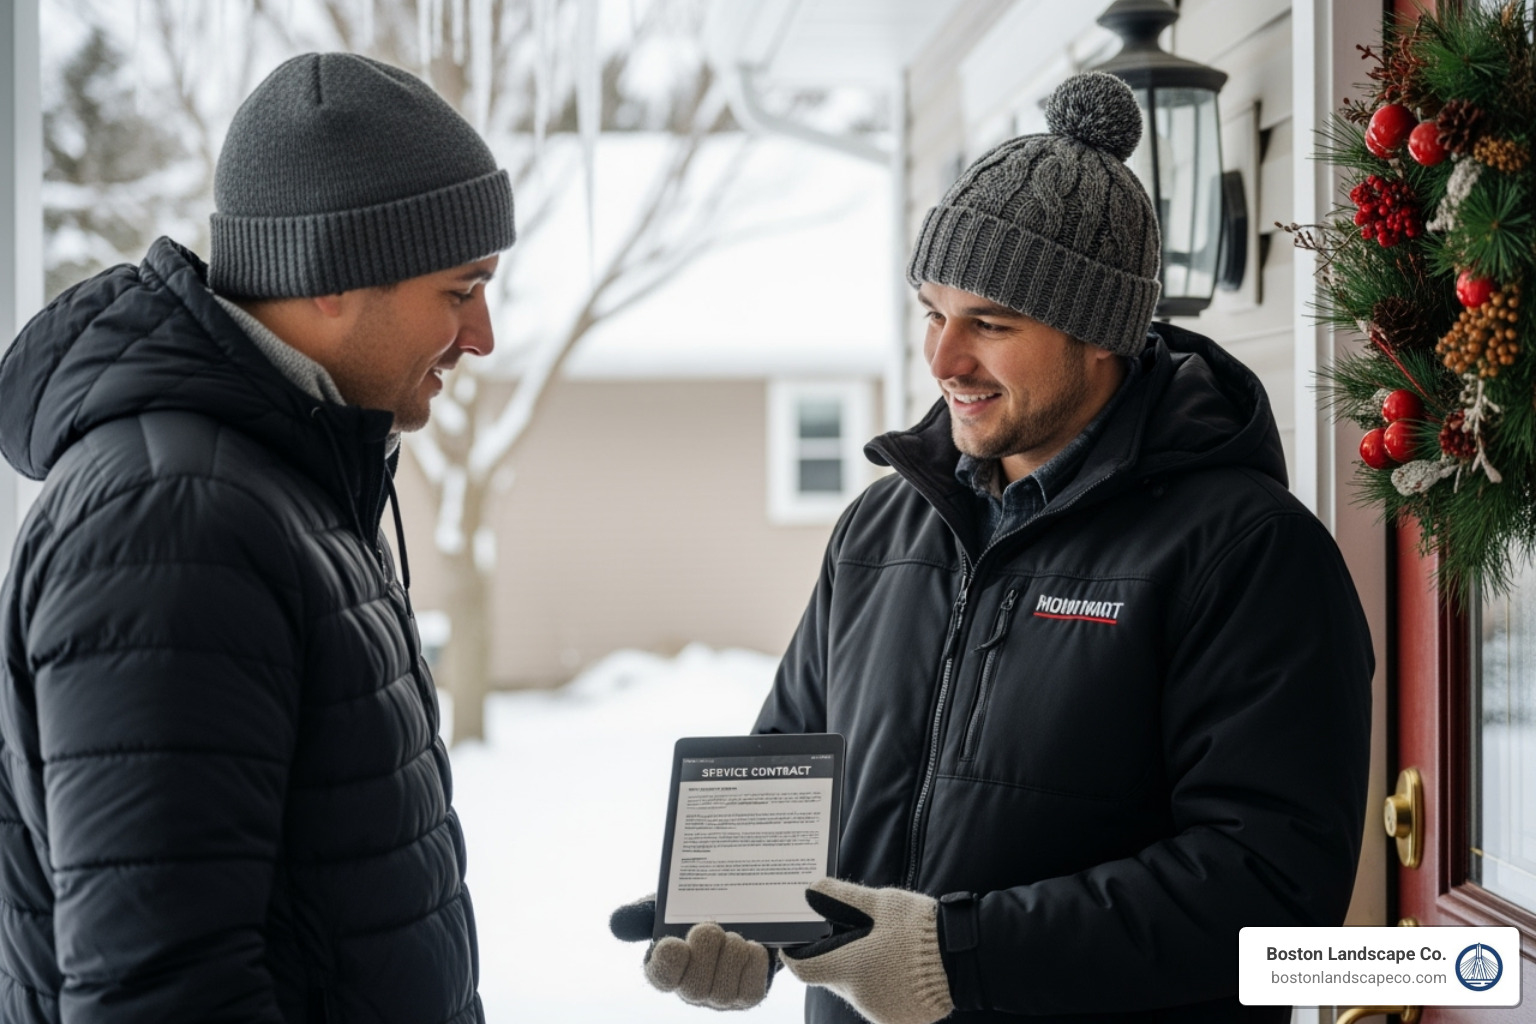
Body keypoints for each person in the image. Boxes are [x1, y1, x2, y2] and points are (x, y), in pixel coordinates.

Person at [614, 71, 1372, 1023]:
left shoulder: (1247, 553)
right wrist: (737, 921)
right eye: (934, 311)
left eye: (991, 323)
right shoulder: (882, 530)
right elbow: (788, 771)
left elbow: (1274, 892)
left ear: (1101, 336)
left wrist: (954, 954)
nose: (943, 360)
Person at [0, 52, 514, 1023]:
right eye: (460, 290)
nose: (482, 334)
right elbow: (161, 990)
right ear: (329, 272)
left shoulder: (285, 485)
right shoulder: (172, 523)